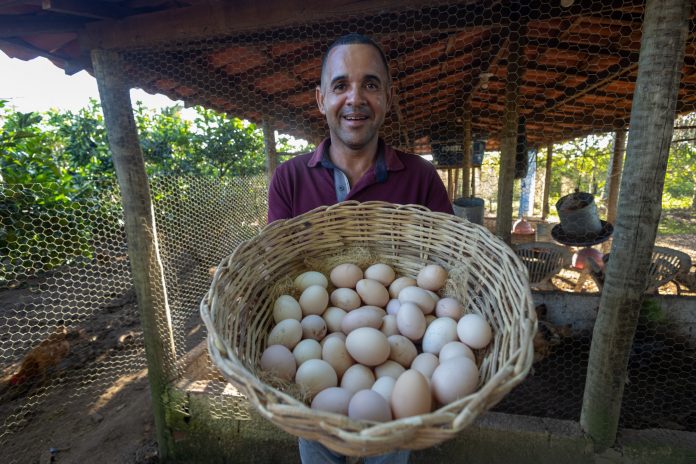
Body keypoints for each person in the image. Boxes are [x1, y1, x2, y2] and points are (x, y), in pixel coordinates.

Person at [267, 33, 453, 463]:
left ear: (388, 97)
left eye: (370, 84)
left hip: (396, 404)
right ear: (320, 99)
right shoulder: (289, 179)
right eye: (340, 85)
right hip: (314, 399)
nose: (355, 98)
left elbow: (442, 272)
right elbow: (279, 270)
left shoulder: (421, 177)